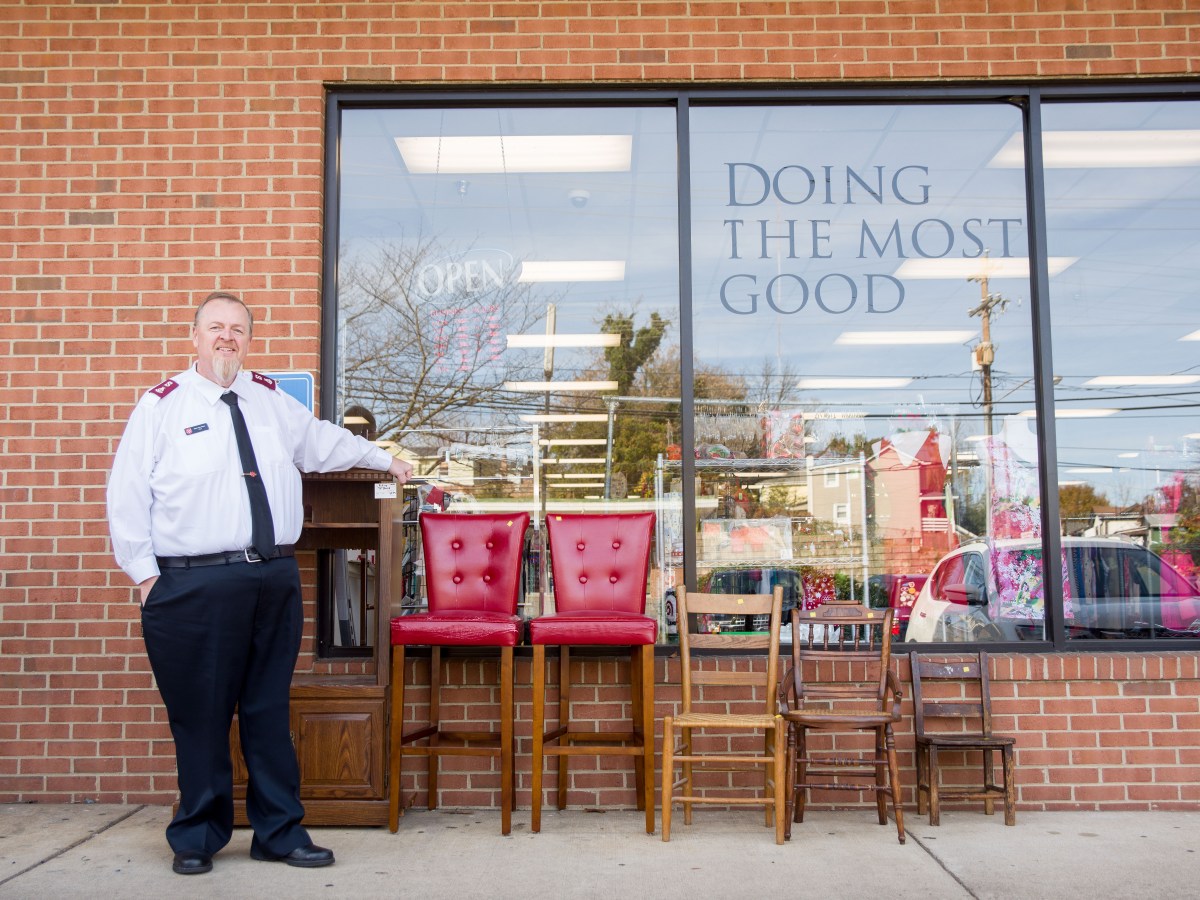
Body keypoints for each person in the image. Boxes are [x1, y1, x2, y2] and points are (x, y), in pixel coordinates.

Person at [107, 291, 412, 876]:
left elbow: (323, 443)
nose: (227, 337)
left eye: (238, 329)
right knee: (200, 715)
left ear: (249, 339)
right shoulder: (160, 407)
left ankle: (278, 831)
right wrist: (147, 578)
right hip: (190, 586)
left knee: (268, 709)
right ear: (194, 336)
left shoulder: (270, 402)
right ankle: (197, 835)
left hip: (271, 578)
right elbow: (126, 497)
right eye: (216, 328)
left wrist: (381, 459)